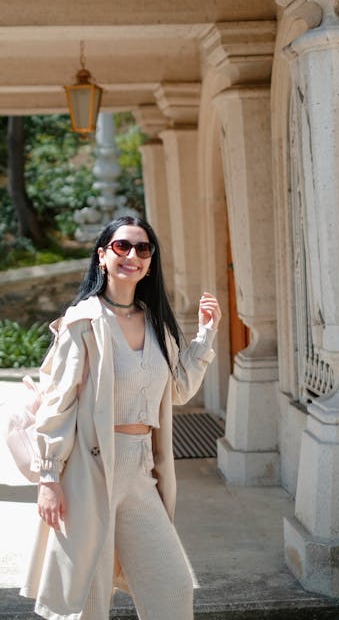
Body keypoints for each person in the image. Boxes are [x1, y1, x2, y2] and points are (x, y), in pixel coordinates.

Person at [20, 215, 221, 620]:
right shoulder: (84, 322)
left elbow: (178, 390)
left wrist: (205, 335)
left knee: (174, 588)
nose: (133, 255)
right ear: (102, 257)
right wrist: (48, 478)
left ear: (150, 263)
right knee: (89, 605)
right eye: (122, 246)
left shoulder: (156, 325)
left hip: (141, 472)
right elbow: (59, 403)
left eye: (143, 249)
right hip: (89, 475)